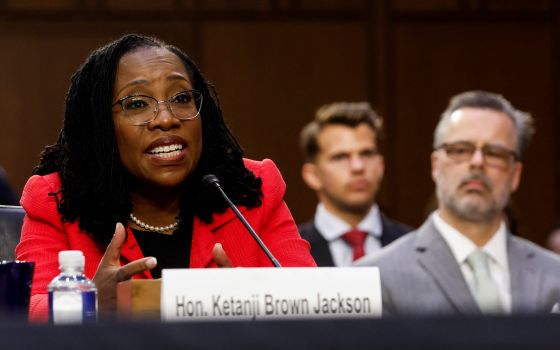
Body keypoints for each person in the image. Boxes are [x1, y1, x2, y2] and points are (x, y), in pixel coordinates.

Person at [15, 34, 316, 322]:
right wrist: (91, 304)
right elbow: (21, 312)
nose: (167, 118)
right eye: (136, 104)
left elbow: (314, 300)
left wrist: (249, 302)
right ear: (101, 126)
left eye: (181, 97)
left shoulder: (247, 192)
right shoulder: (57, 200)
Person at [356, 90, 560, 316]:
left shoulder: (554, 275)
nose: (477, 162)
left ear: (516, 174)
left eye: (494, 153)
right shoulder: (373, 278)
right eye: (461, 150)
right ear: (435, 165)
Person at [298, 102, 411, 267]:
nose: (358, 167)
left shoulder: (412, 246)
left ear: (381, 166)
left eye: (367, 154)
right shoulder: (286, 252)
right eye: (340, 157)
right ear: (313, 175)